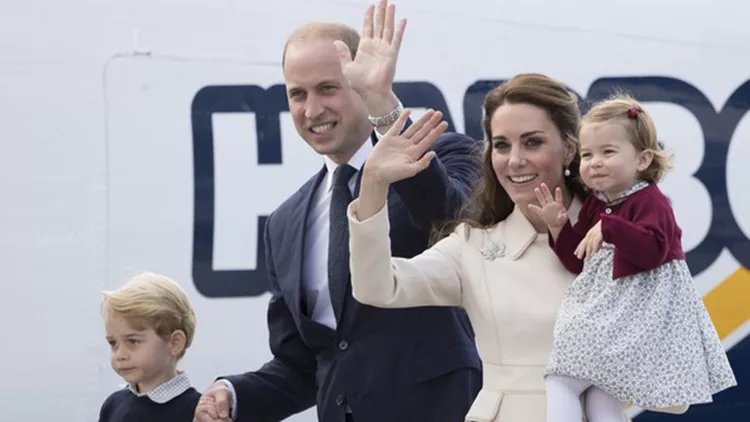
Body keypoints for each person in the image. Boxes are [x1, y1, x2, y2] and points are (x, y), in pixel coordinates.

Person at [346, 73, 697, 421]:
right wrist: (373, 184)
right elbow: (377, 286)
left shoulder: (629, 238)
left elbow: (674, 381)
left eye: (532, 143)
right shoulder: (472, 246)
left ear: (571, 149)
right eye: (501, 145)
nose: (514, 160)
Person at [193, 1, 482, 421]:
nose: (312, 110)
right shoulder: (285, 224)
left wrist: (384, 105)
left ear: (363, 83)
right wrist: (232, 394)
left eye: (328, 88)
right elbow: (303, 364)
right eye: (297, 94)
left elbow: (454, 223)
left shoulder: (440, 157)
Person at [529, 93, 737, 422]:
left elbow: (653, 251)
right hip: (612, 316)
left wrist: (610, 227)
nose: (594, 162)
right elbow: (577, 260)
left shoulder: (650, 200)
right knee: (600, 393)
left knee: (562, 379)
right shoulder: (598, 203)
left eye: (607, 152)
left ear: (642, 160)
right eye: (586, 154)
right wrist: (559, 227)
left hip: (637, 320)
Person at [98, 272, 200, 422]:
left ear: (175, 343)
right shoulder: (113, 405)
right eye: (113, 343)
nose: (120, 355)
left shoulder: (199, 412)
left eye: (132, 341)